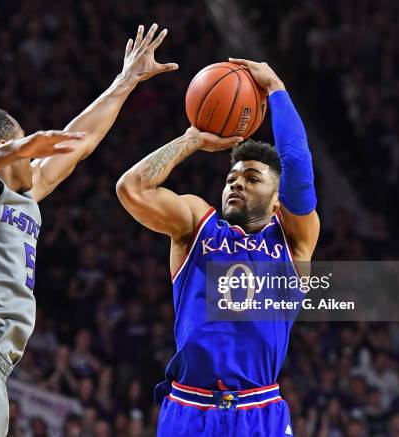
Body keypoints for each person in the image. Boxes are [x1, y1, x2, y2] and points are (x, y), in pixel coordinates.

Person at [0, 24, 178, 436]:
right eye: (22, 144)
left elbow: (79, 142)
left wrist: (126, 80)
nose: (32, 153)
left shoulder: (23, 196)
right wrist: (15, 149)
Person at [116, 59, 319, 436]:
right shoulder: (198, 226)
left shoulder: (293, 242)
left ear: (277, 200)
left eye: (252, 178)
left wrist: (275, 87)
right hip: (188, 408)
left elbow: (296, 162)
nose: (236, 184)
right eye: (232, 177)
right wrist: (192, 139)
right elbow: (131, 189)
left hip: (259, 410)